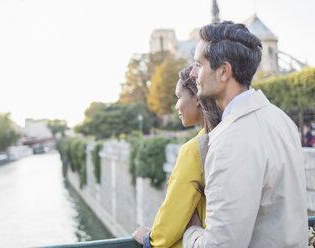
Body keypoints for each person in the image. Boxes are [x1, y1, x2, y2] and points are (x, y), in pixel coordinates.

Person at [183, 21, 308, 247]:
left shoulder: (231, 140)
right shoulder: (283, 121)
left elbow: (220, 245)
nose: (192, 74)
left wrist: (191, 231)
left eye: (198, 65)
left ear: (223, 72)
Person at [132, 65, 222, 248]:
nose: (176, 106)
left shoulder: (193, 150)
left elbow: (172, 217)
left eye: (179, 97)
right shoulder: (225, 137)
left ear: (197, 98)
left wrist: (148, 239)